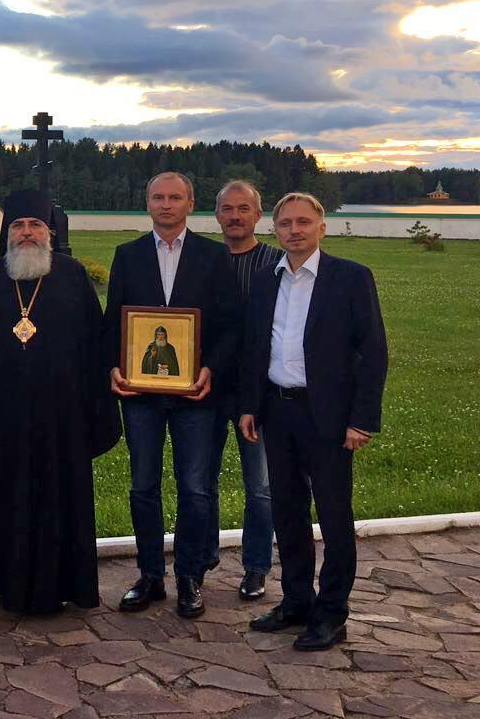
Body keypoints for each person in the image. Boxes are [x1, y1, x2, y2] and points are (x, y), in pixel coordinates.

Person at [0, 190, 121, 614]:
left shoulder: (72, 275)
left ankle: (62, 583)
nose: (26, 233)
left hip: (61, 417)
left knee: (59, 496)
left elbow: (96, 346)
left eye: (35, 226)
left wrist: (92, 407)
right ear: (7, 233)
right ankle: (0, 581)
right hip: (1, 413)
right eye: (18, 226)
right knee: (1, 495)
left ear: (49, 231)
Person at [240, 192, 387, 651]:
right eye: (285, 223)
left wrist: (362, 419)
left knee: (334, 516)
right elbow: (254, 348)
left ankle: (332, 613)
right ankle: (296, 601)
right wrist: (250, 406)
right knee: (287, 512)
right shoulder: (266, 281)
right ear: (275, 230)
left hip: (328, 415)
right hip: (278, 412)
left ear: (321, 228)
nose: (294, 230)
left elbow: (374, 352)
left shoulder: (350, 278)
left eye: (304, 222)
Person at [105, 172, 240, 619]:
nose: (166, 205)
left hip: (197, 395)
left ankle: (189, 576)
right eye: (158, 197)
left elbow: (228, 327)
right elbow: (114, 325)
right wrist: (114, 368)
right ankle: (149, 575)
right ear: (147, 203)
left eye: (175, 197)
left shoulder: (214, 256)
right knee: (143, 487)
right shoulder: (128, 256)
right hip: (141, 395)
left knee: (195, 489)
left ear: (190, 202)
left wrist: (210, 369)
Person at [206, 180, 282, 601]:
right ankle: (205, 554)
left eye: (243, 209)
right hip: (206, 387)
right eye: (227, 209)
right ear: (216, 215)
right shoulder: (203, 260)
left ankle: (256, 566)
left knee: (260, 485)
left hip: (258, 391)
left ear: (258, 214)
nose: (235, 216)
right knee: (203, 479)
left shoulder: (274, 263)